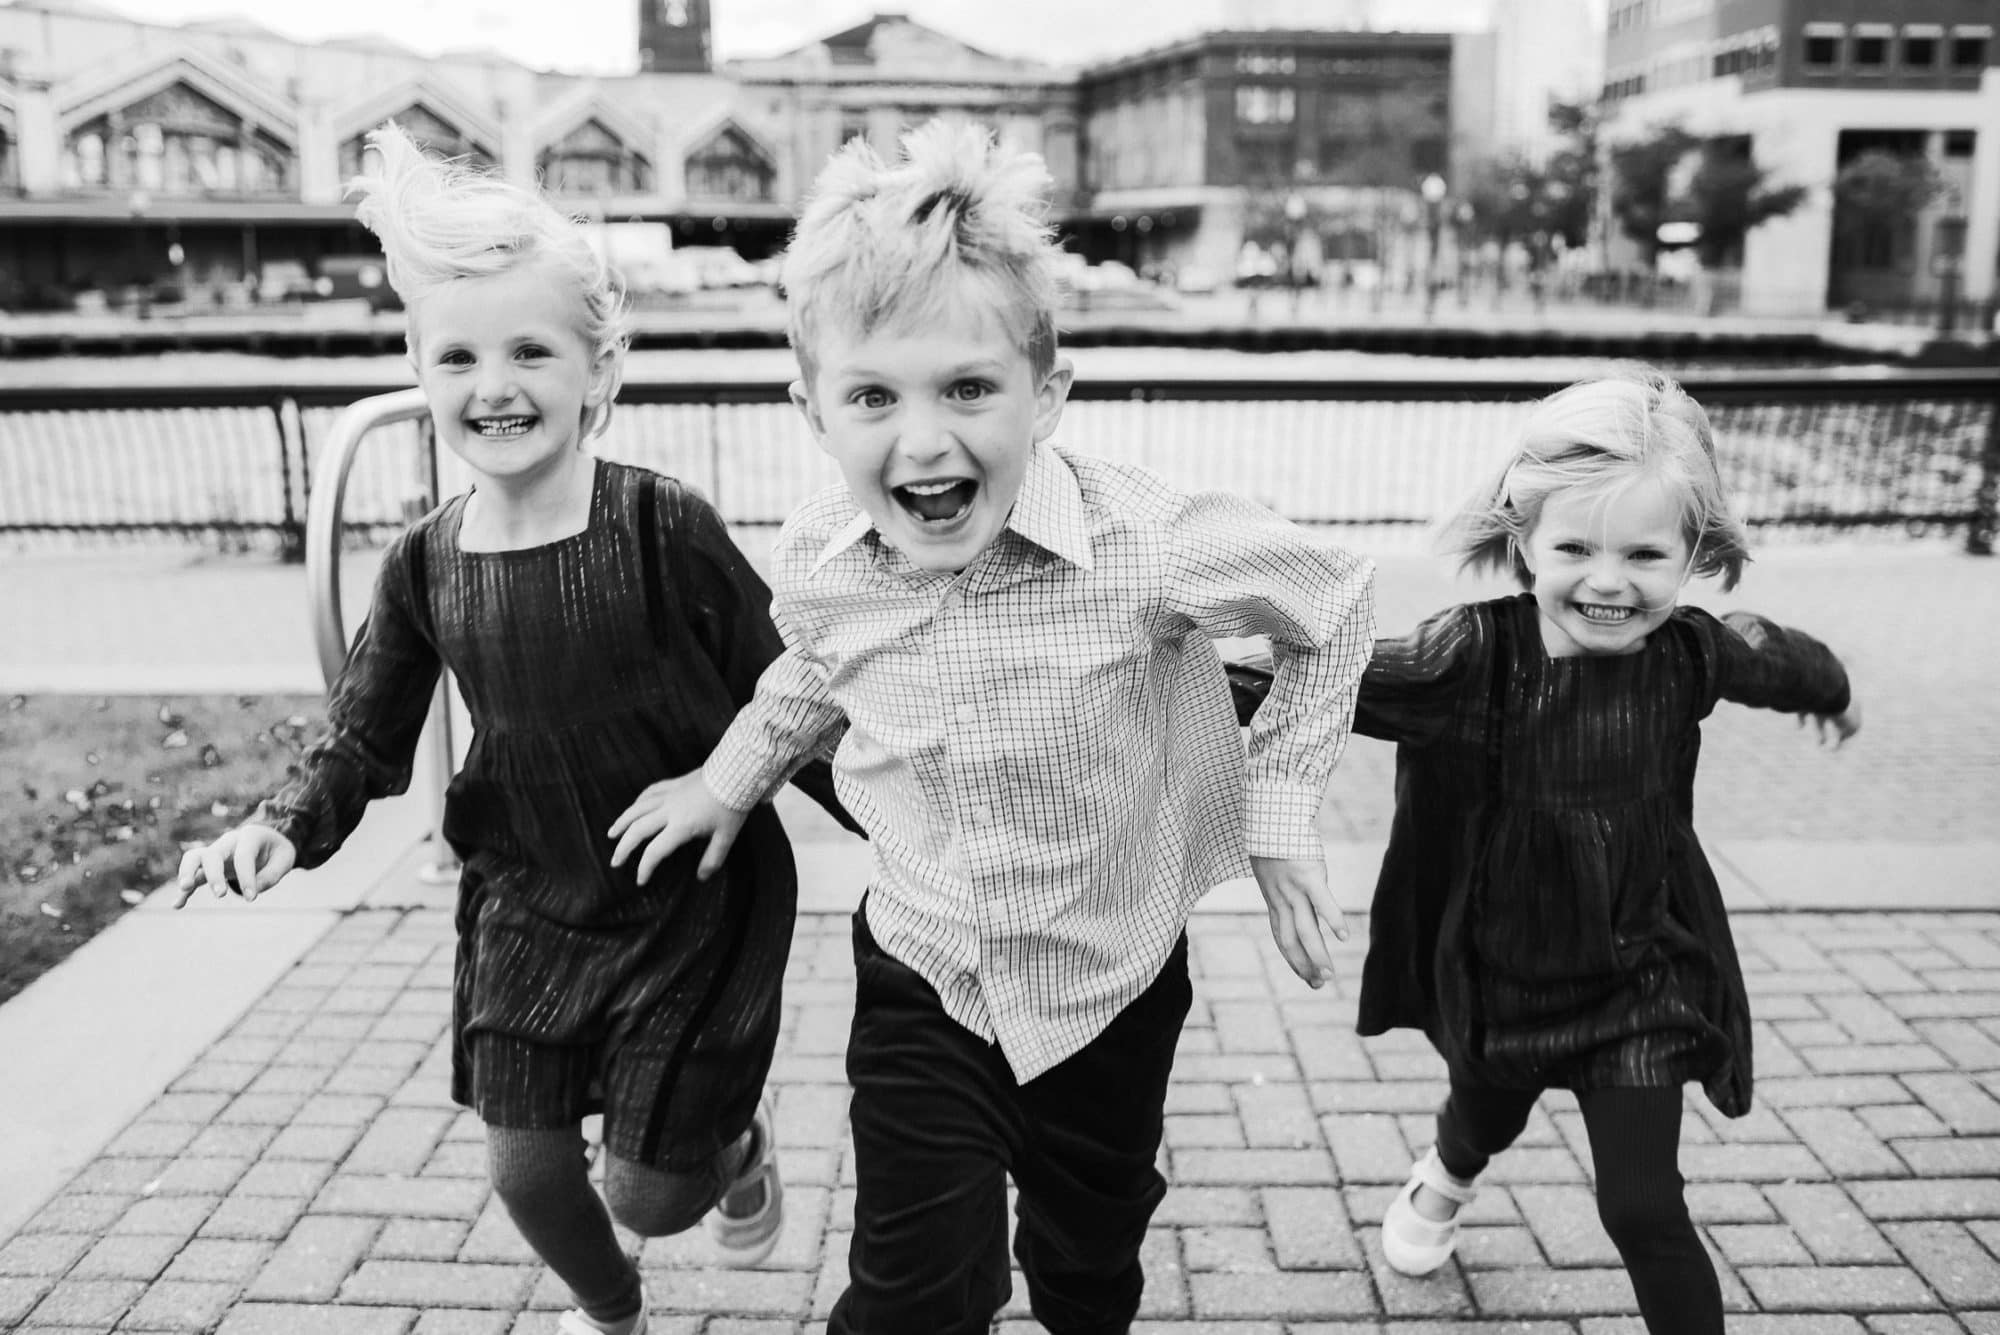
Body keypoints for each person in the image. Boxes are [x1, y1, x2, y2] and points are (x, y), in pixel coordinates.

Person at [605, 120, 1376, 1334]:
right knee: (907, 1290)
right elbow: (814, 669)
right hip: (928, 969)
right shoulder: (820, 552)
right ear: (811, 411)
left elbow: (1331, 599)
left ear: (1046, 393)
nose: (922, 439)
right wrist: (727, 780)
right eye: (872, 395)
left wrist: (1276, 818)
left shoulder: (1147, 542)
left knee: (1085, 1263)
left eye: (967, 387)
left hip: (1110, 977)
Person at [174, 121, 856, 1335]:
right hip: (527, 891)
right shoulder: (426, 561)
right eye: (458, 358)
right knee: (527, 1171)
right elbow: (366, 734)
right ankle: (612, 1313)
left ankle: (726, 1139)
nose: (495, 386)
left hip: (690, 890)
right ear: (420, 372)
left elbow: (793, 688)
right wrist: (285, 829)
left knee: (649, 1190)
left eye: (533, 350)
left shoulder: (662, 528)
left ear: (602, 370)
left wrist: (905, 816)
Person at [1247, 369, 1858, 1333]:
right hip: (1505, 968)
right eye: (1575, 546)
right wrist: (1187, 659)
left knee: (1646, 1207)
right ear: (1522, 538)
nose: (1608, 582)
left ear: (1694, 551)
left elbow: (1768, 652)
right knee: (1485, 1114)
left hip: (1645, 973)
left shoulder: (1688, 654)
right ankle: (1446, 1173)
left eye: (1646, 553)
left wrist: (1832, 691)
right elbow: (1340, 683)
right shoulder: (1471, 655)